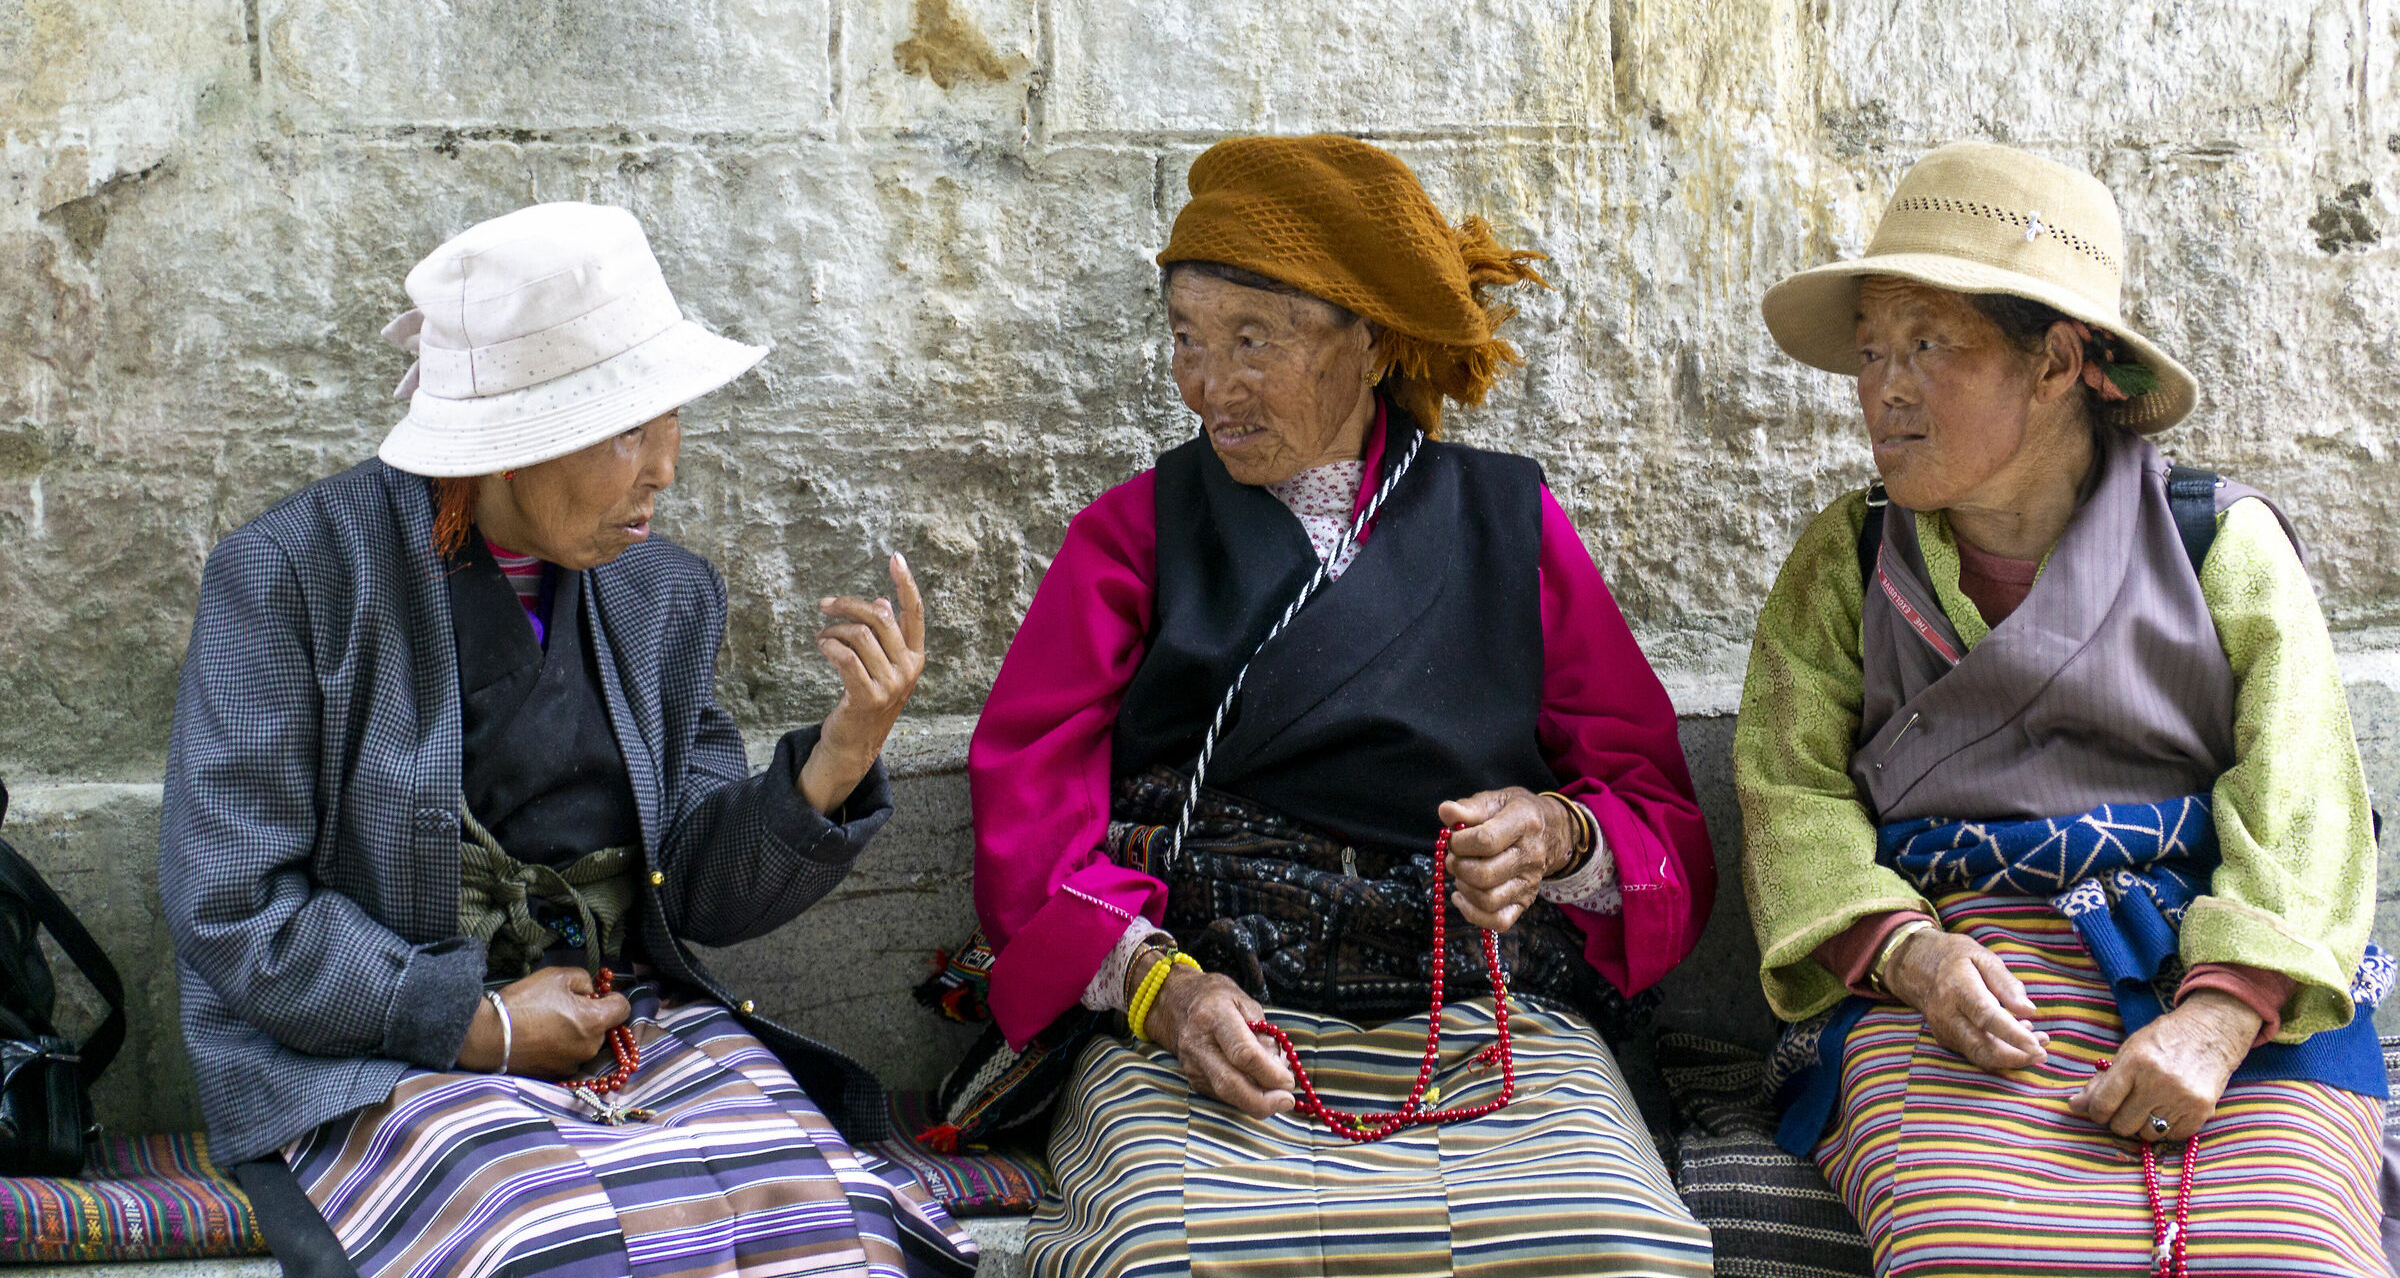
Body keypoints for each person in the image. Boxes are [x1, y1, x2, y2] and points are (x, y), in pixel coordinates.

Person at [160, 204, 976, 1278]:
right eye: (627, 430)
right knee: (560, 1248)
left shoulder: (660, 597)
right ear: (512, 441)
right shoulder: (293, 579)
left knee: (832, 1233)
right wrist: (482, 1023)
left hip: (613, 1022)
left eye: (668, 418)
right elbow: (232, 903)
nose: (666, 469)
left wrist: (836, 760)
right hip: (371, 1049)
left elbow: (696, 894)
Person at [966, 135, 1716, 1276]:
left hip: (1481, 1008)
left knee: (1613, 1244)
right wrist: (1162, 990)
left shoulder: (1508, 524)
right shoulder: (1134, 533)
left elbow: (1649, 796)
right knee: (1167, 1253)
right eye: (1187, 339)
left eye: (1252, 340)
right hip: (1213, 1009)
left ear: (1367, 342)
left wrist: (1558, 837)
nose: (1210, 386)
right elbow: (1031, 808)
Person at [1735, 142, 2391, 1277]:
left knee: (2291, 1252)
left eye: (1930, 345)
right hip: (1956, 980)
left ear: (2057, 363)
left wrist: (2218, 1018)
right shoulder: (1848, 558)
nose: (1884, 390)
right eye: (1875, 351)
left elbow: (2305, 803)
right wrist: (1911, 957)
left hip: (2210, 966)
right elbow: (1789, 792)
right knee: (1974, 1250)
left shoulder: (2215, 542)